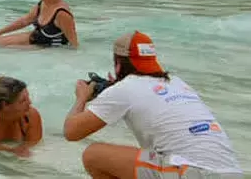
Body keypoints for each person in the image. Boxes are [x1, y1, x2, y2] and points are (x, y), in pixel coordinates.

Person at [65, 31, 242, 179]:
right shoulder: (177, 82)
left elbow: (71, 132)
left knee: (94, 155)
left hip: (193, 172)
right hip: (232, 172)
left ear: (118, 64)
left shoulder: (125, 88)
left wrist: (82, 97)